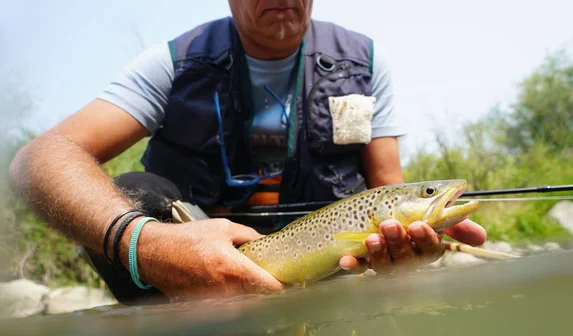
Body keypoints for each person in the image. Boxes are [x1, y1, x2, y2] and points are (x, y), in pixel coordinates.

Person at [8, 0, 486, 305]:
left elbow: (388, 189)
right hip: (187, 288)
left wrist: (408, 247)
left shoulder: (363, 61)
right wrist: (149, 247)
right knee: (136, 193)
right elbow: (39, 159)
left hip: (330, 281)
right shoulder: (173, 61)